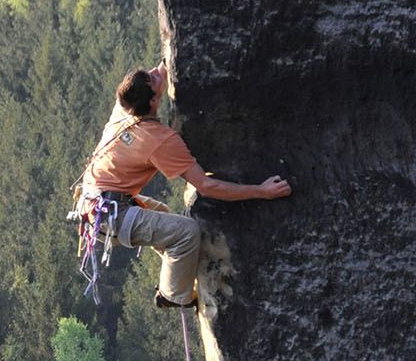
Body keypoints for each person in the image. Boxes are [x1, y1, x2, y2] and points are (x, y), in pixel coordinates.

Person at [76, 62, 290, 309]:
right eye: (153, 79)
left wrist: (165, 65)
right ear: (154, 102)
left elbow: (156, 76)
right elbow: (206, 185)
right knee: (186, 232)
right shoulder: (161, 140)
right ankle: (172, 295)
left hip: (96, 204)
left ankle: (176, 271)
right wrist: (261, 191)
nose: (156, 73)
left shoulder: (123, 109)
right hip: (110, 215)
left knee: (163, 216)